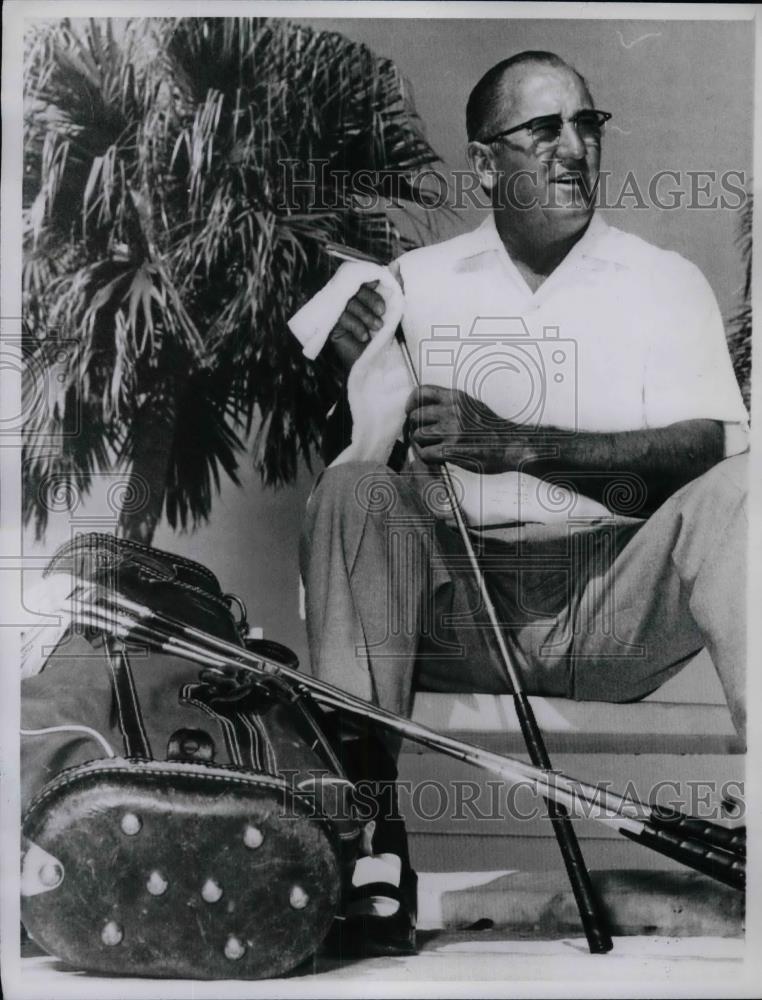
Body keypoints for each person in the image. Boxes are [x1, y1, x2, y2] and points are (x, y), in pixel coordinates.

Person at [298, 51, 749, 955]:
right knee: (352, 488)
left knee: (754, 489)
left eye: (588, 125)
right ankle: (365, 854)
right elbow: (368, 480)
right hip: (459, 609)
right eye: (544, 130)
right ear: (484, 161)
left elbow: (706, 450)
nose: (574, 148)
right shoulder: (414, 282)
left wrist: (522, 444)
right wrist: (360, 372)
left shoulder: (663, 280)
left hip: (609, 600)